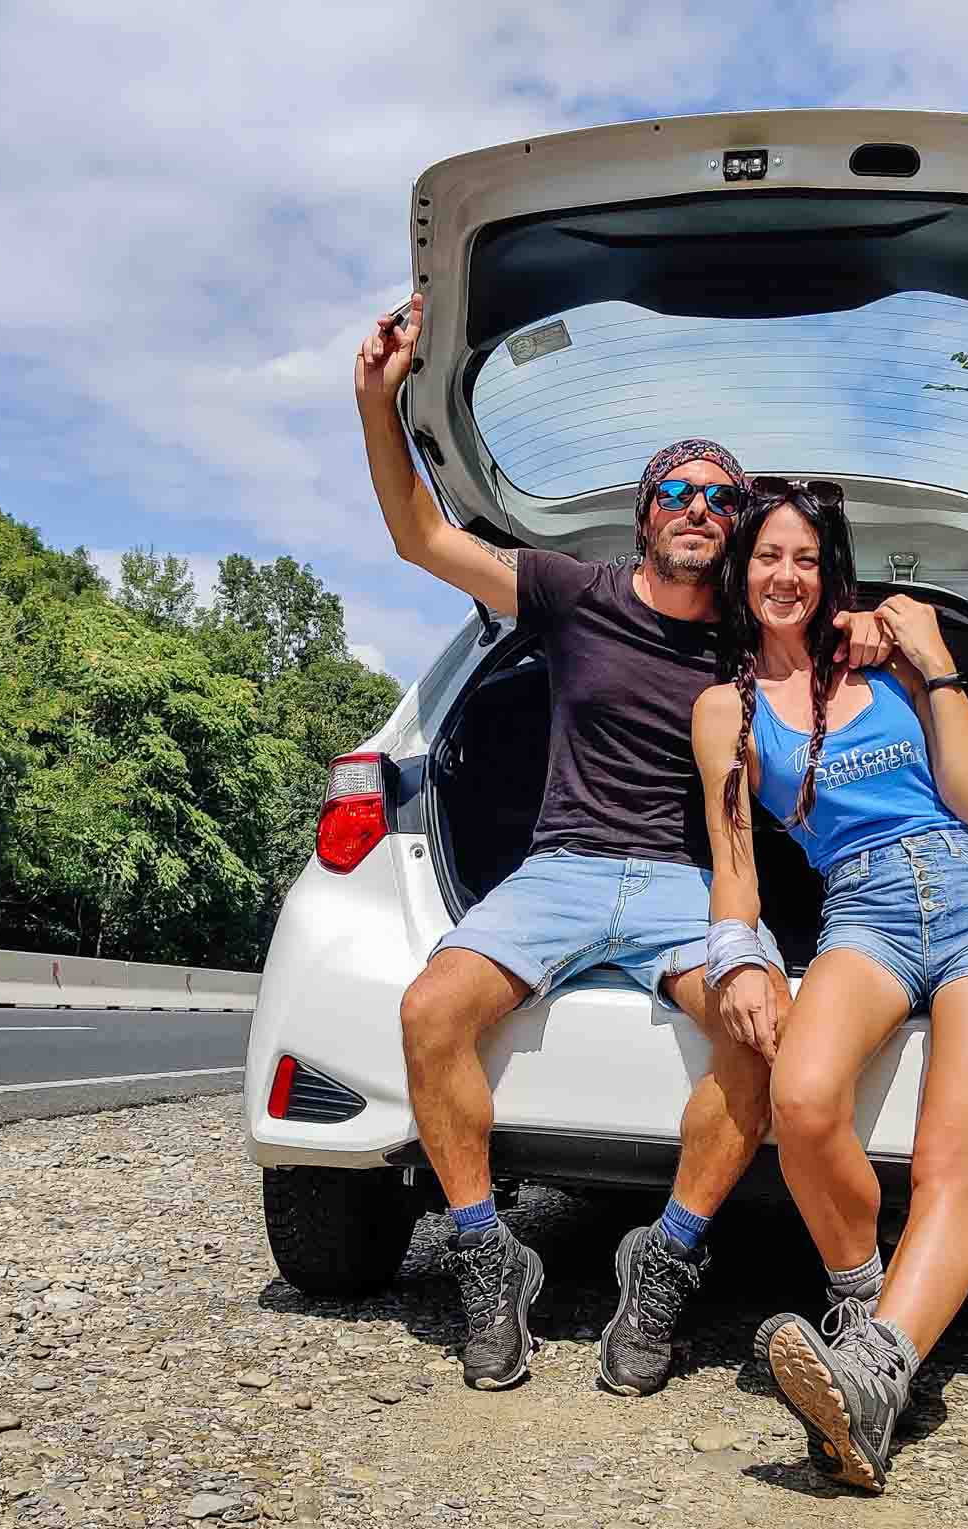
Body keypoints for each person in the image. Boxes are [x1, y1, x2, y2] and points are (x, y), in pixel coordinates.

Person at [355, 295, 893, 1396]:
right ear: (644, 514)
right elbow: (419, 535)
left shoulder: (759, 630)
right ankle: (481, 1251)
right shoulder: (569, 591)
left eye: (718, 498)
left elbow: (846, 654)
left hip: (682, 887)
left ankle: (668, 1258)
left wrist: (888, 635)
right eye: (676, 492)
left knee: (760, 1036)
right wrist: (378, 401)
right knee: (427, 1009)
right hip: (555, 872)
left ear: (735, 524)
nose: (697, 507)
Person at [691, 478, 968, 1493]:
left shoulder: (884, 664)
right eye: (767, 556)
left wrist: (933, 660)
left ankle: (873, 1373)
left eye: (805, 559)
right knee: (799, 1103)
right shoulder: (726, 709)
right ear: (739, 570)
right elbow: (733, 857)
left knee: (949, 1157)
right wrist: (742, 953)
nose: (785, 575)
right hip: (863, 908)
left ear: (826, 573)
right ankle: (864, 1316)